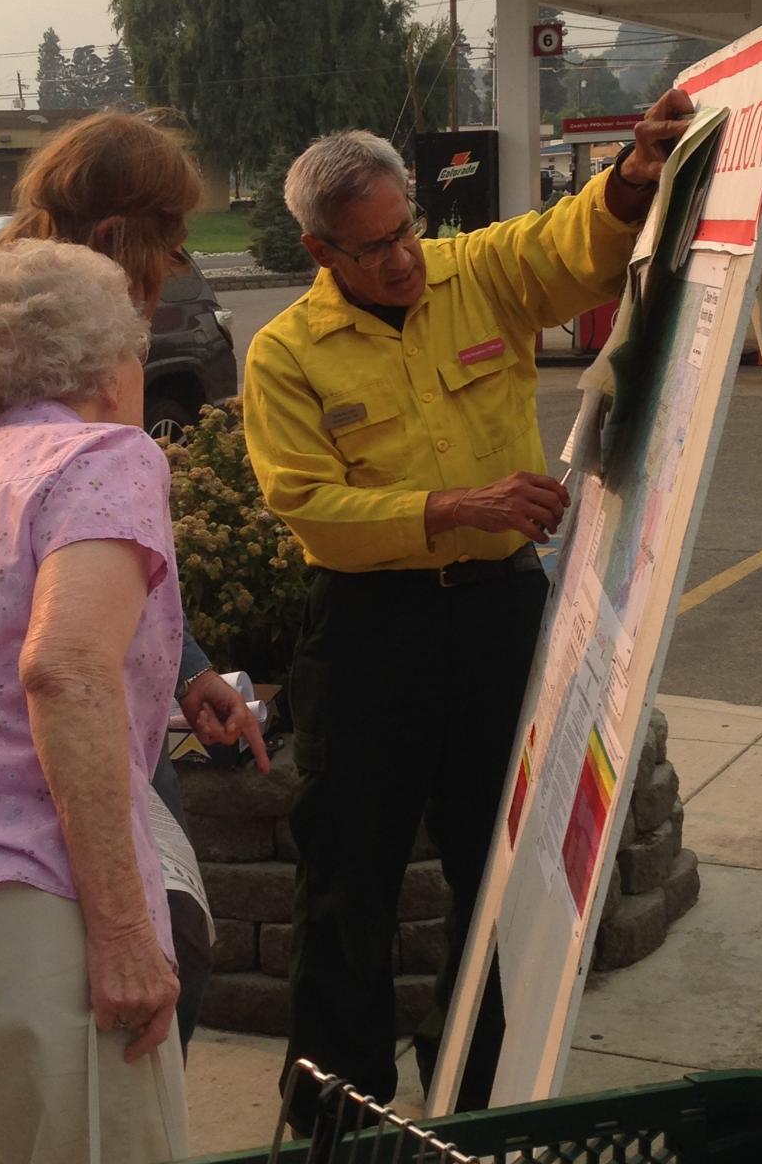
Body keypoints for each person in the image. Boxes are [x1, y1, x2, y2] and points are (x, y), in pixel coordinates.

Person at [243, 89, 695, 1132]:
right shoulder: (285, 355)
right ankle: (334, 1115)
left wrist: (631, 176)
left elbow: (573, 250)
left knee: (500, 864)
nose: (402, 259)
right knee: (348, 871)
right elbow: (312, 511)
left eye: (406, 229)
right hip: (366, 632)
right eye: (370, 248)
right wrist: (456, 506)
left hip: (499, 618)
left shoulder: (474, 273)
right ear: (321, 252)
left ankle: (480, 1096)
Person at [0, 109, 270, 1054]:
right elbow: (16, 607)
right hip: (32, 784)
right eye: (170, 244)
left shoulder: (2, 319)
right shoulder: (7, 339)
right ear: (114, 237)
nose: (175, 271)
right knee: (147, 999)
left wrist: (183, 667)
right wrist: (119, 934)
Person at [0, 238, 198, 1161]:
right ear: (110, 367)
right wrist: (129, 930)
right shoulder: (105, 455)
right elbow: (67, 670)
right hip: (24, 916)